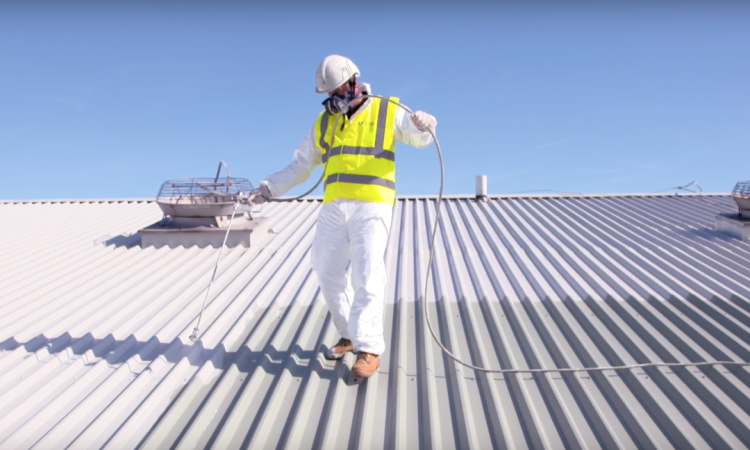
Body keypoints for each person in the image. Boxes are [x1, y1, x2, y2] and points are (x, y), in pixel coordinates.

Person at [250, 55, 437, 378]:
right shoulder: (325, 122)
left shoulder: (387, 109)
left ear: (353, 82)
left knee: (367, 272)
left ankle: (369, 348)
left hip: (372, 204)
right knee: (325, 268)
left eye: (338, 90)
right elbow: (301, 164)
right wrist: (269, 188)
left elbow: (418, 139)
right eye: (329, 92)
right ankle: (350, 335)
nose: (333, 97)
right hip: (334, 205)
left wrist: (425, 125)